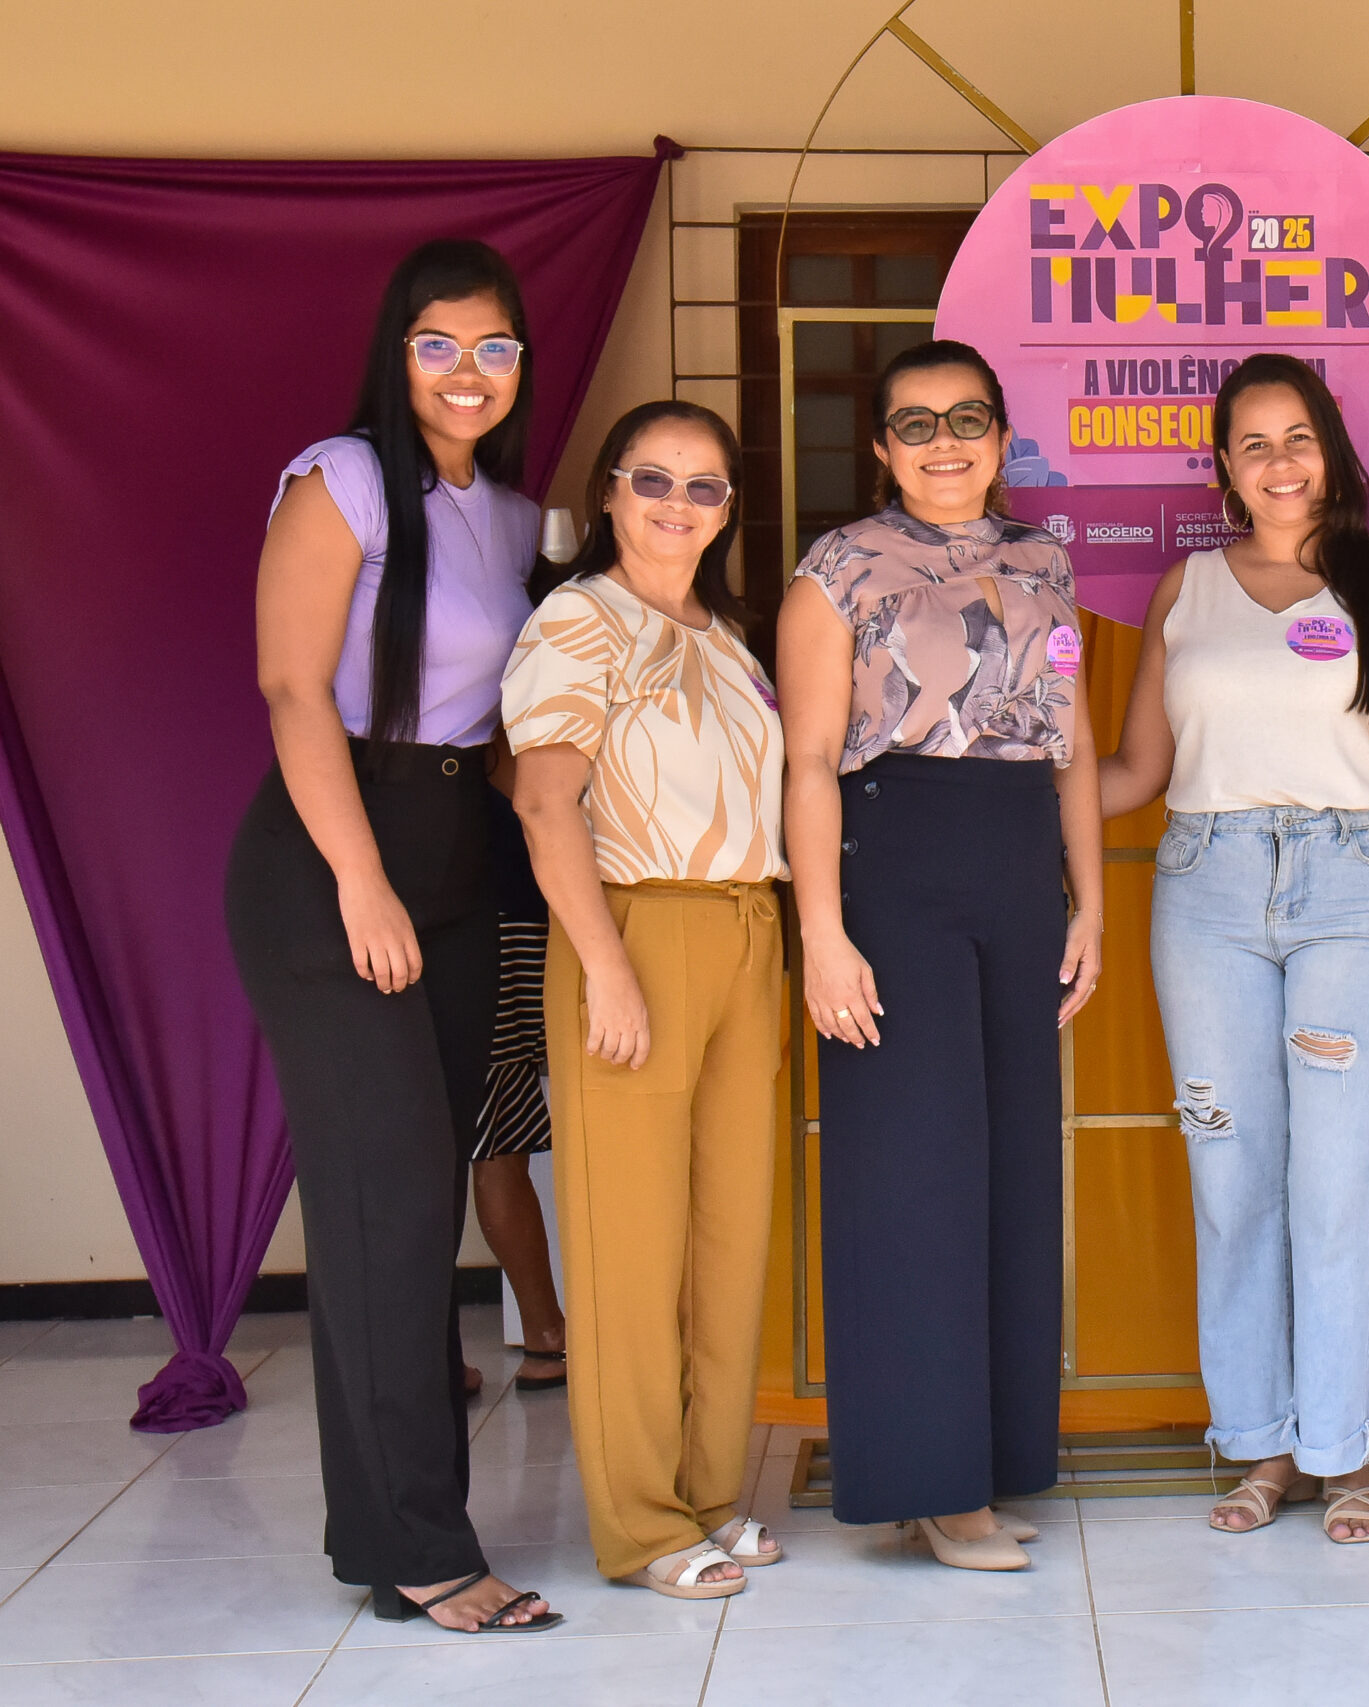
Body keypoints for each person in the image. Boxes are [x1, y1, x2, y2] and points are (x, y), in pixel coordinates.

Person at [224, 239, 560, 1633]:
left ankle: (400, 1520)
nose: (467, 372)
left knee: (425, 1205)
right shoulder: (344, 478)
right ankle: (416, 1546)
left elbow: (511, 729)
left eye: (494, 347)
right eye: (439, 344)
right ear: (397, 352)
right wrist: (358, 881)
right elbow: (292, 687)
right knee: (391, 1205)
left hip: (459, 860)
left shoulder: (517, 517)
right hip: (332, 860)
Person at [1099, 355, 1369, 1546]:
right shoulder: (1187, 588)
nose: (1278, 463)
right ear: (1222, 464)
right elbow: (1135, 771)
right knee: (1230, 1178)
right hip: (1204, 891)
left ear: (1331, 451)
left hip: (1356, 891)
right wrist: (997, 782)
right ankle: (1261, 1441)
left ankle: (1341, 1448)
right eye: (1253, 442)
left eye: (1297, 437)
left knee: (1335, 1184)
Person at [779, 339, 1104, 1572]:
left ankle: (996, 1458)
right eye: (915, 424)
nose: (944, 443)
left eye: (967, 419)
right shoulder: (837, 567)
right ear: (881, 448)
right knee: (912, 1175)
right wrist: (822, 931)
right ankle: (927, 1483)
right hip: (894, 865)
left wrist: (1089, 903)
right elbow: (809, 762)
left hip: (1017, 865)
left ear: (1002, 434)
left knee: (1011, 1168)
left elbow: (1071, 746)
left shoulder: (1044, 558)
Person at [504, 401, 789, 1599]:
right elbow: (543, 803)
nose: (679, 504)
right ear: (611, 492)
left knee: (728, 1233)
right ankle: (640, 1522)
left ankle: (709, 1492)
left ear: (727, 509)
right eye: (654, 479)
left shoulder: (727, 636)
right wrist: (607, 968)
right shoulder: (581, 619)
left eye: (704, 485)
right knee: (628, 1241)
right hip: (633, 924)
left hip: (746, 927)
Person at [461, 784, 566, 1397]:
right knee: (499, 1141)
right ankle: (548, 1334)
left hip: (455, 912)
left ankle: (432, 1356)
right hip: (513, 902)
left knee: (469, 1137)